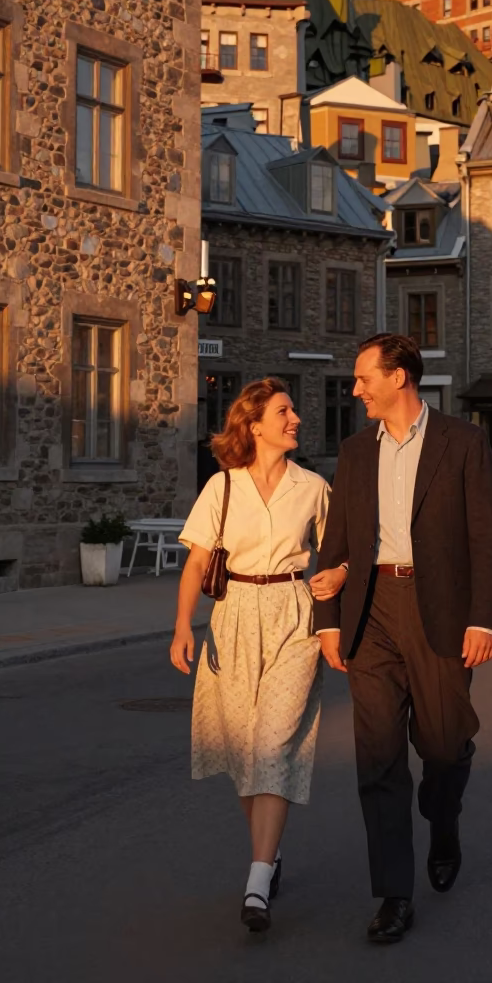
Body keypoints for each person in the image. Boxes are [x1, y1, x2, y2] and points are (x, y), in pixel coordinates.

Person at [309, 334, 492, 945]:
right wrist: (329, 620)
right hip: (371, 613)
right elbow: (338, 542)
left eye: (364, 376)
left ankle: (443, 817)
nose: (356, 388)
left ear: (398, 377)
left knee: (444, 747)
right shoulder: (353, 451)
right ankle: (394, 894)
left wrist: (484, 618)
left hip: (441, 610)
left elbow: (487, 539)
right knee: (379, 758)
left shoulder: (464, 442)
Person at [170, 378, 329, 934]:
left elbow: (339, 554)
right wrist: (181, 628)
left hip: (293, 612)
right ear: (255, 424)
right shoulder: (223, 487)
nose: (296, 420)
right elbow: (195, 563)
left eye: (294, 410)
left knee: (273, 743)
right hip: (232, 615)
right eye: (284, 411)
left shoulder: (313, 487)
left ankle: (257, 880)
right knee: (243, 748)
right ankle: (272, 853)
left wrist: (337, 582)